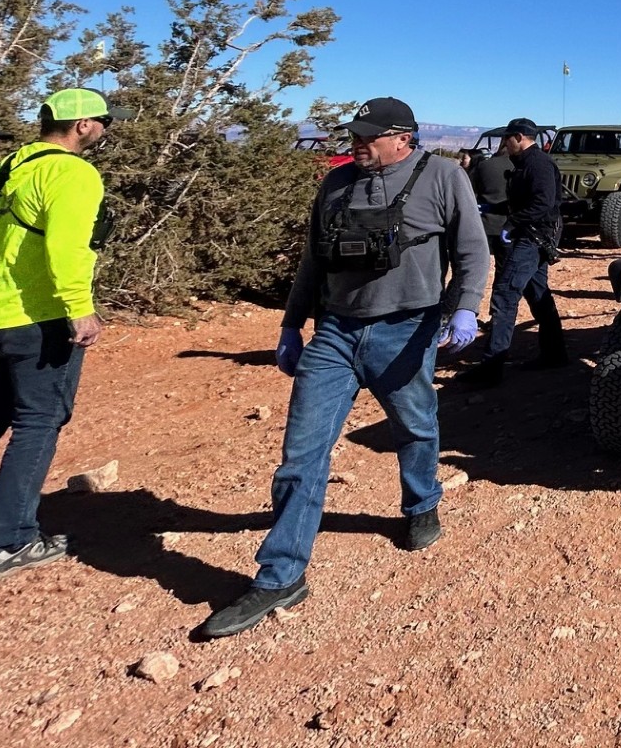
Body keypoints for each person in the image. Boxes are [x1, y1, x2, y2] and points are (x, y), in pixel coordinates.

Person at [196, 97, 489, 639]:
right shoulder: (335, 184)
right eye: (355, 134)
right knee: (300, 455)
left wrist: (465, 305)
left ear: (403, 137)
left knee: (415, 426)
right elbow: (313, 258)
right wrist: (291, 323)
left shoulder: (443, 175)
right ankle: (281, 575)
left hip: (407, 330)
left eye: (369, 136)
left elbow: (472, 248)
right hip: (335, 332)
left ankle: (421, 502)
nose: (357, 144)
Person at [0, 88, 126, 586]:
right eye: (103, 120)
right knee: (38, 421)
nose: (107, 127)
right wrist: (80, 310)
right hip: (37, 319)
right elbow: (67, 246)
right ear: (82, 125)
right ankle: (9, 540)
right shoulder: (74, 173)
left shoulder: (12, 163)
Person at [456, 118, 564, 388]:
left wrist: (513, 223)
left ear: (519, 137)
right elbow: (528, 199)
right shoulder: (527, 163)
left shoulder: (537, 164)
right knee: (538, 294)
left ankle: (492, 368)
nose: (505, 143)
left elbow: (543, 202)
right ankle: (555, 355)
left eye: (508, 139)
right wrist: (494, 208)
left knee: (504, 295)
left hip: (531, 237)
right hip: (532, 235)